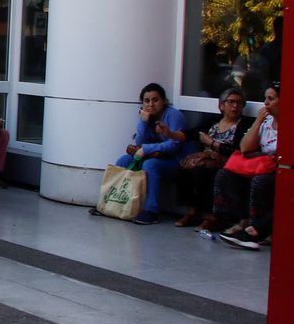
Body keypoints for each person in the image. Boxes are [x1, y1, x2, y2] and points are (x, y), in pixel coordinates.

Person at [155, 87, 250, 229]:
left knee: (203, 172)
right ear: (221, 105)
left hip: (227, 162)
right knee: (183, 169)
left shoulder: (244, 125)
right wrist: (169, 133)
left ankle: (211, 216)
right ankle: (191, 211)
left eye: (239, 103)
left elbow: (238, 150)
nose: (235, 106)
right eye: (231, 102)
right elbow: (191, 134)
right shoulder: (213, 121)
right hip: (206, 160)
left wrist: (212, 146)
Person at [95, 83, 188, 225]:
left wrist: (146, 149)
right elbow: (140, 140)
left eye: (155, 100)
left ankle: (152, 211)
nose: (151, 104)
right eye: (147, 101)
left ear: (163, 101)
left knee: (150, 164)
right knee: (124, 161)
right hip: (153, 156)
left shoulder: (174, 115)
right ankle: (111, 203)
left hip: (174, 161)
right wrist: (144, 122)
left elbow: (174, 145)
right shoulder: (146, 116)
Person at [214, 83, 280, 244]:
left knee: (261, 181)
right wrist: (258, 121)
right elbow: (245, 147)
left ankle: (256, 227)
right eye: (265, 98)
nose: (266, 103)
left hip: (277, 171)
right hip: (260, 165)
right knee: (225, 174)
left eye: (271, 99)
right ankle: (243, 220)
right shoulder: (267, 121)